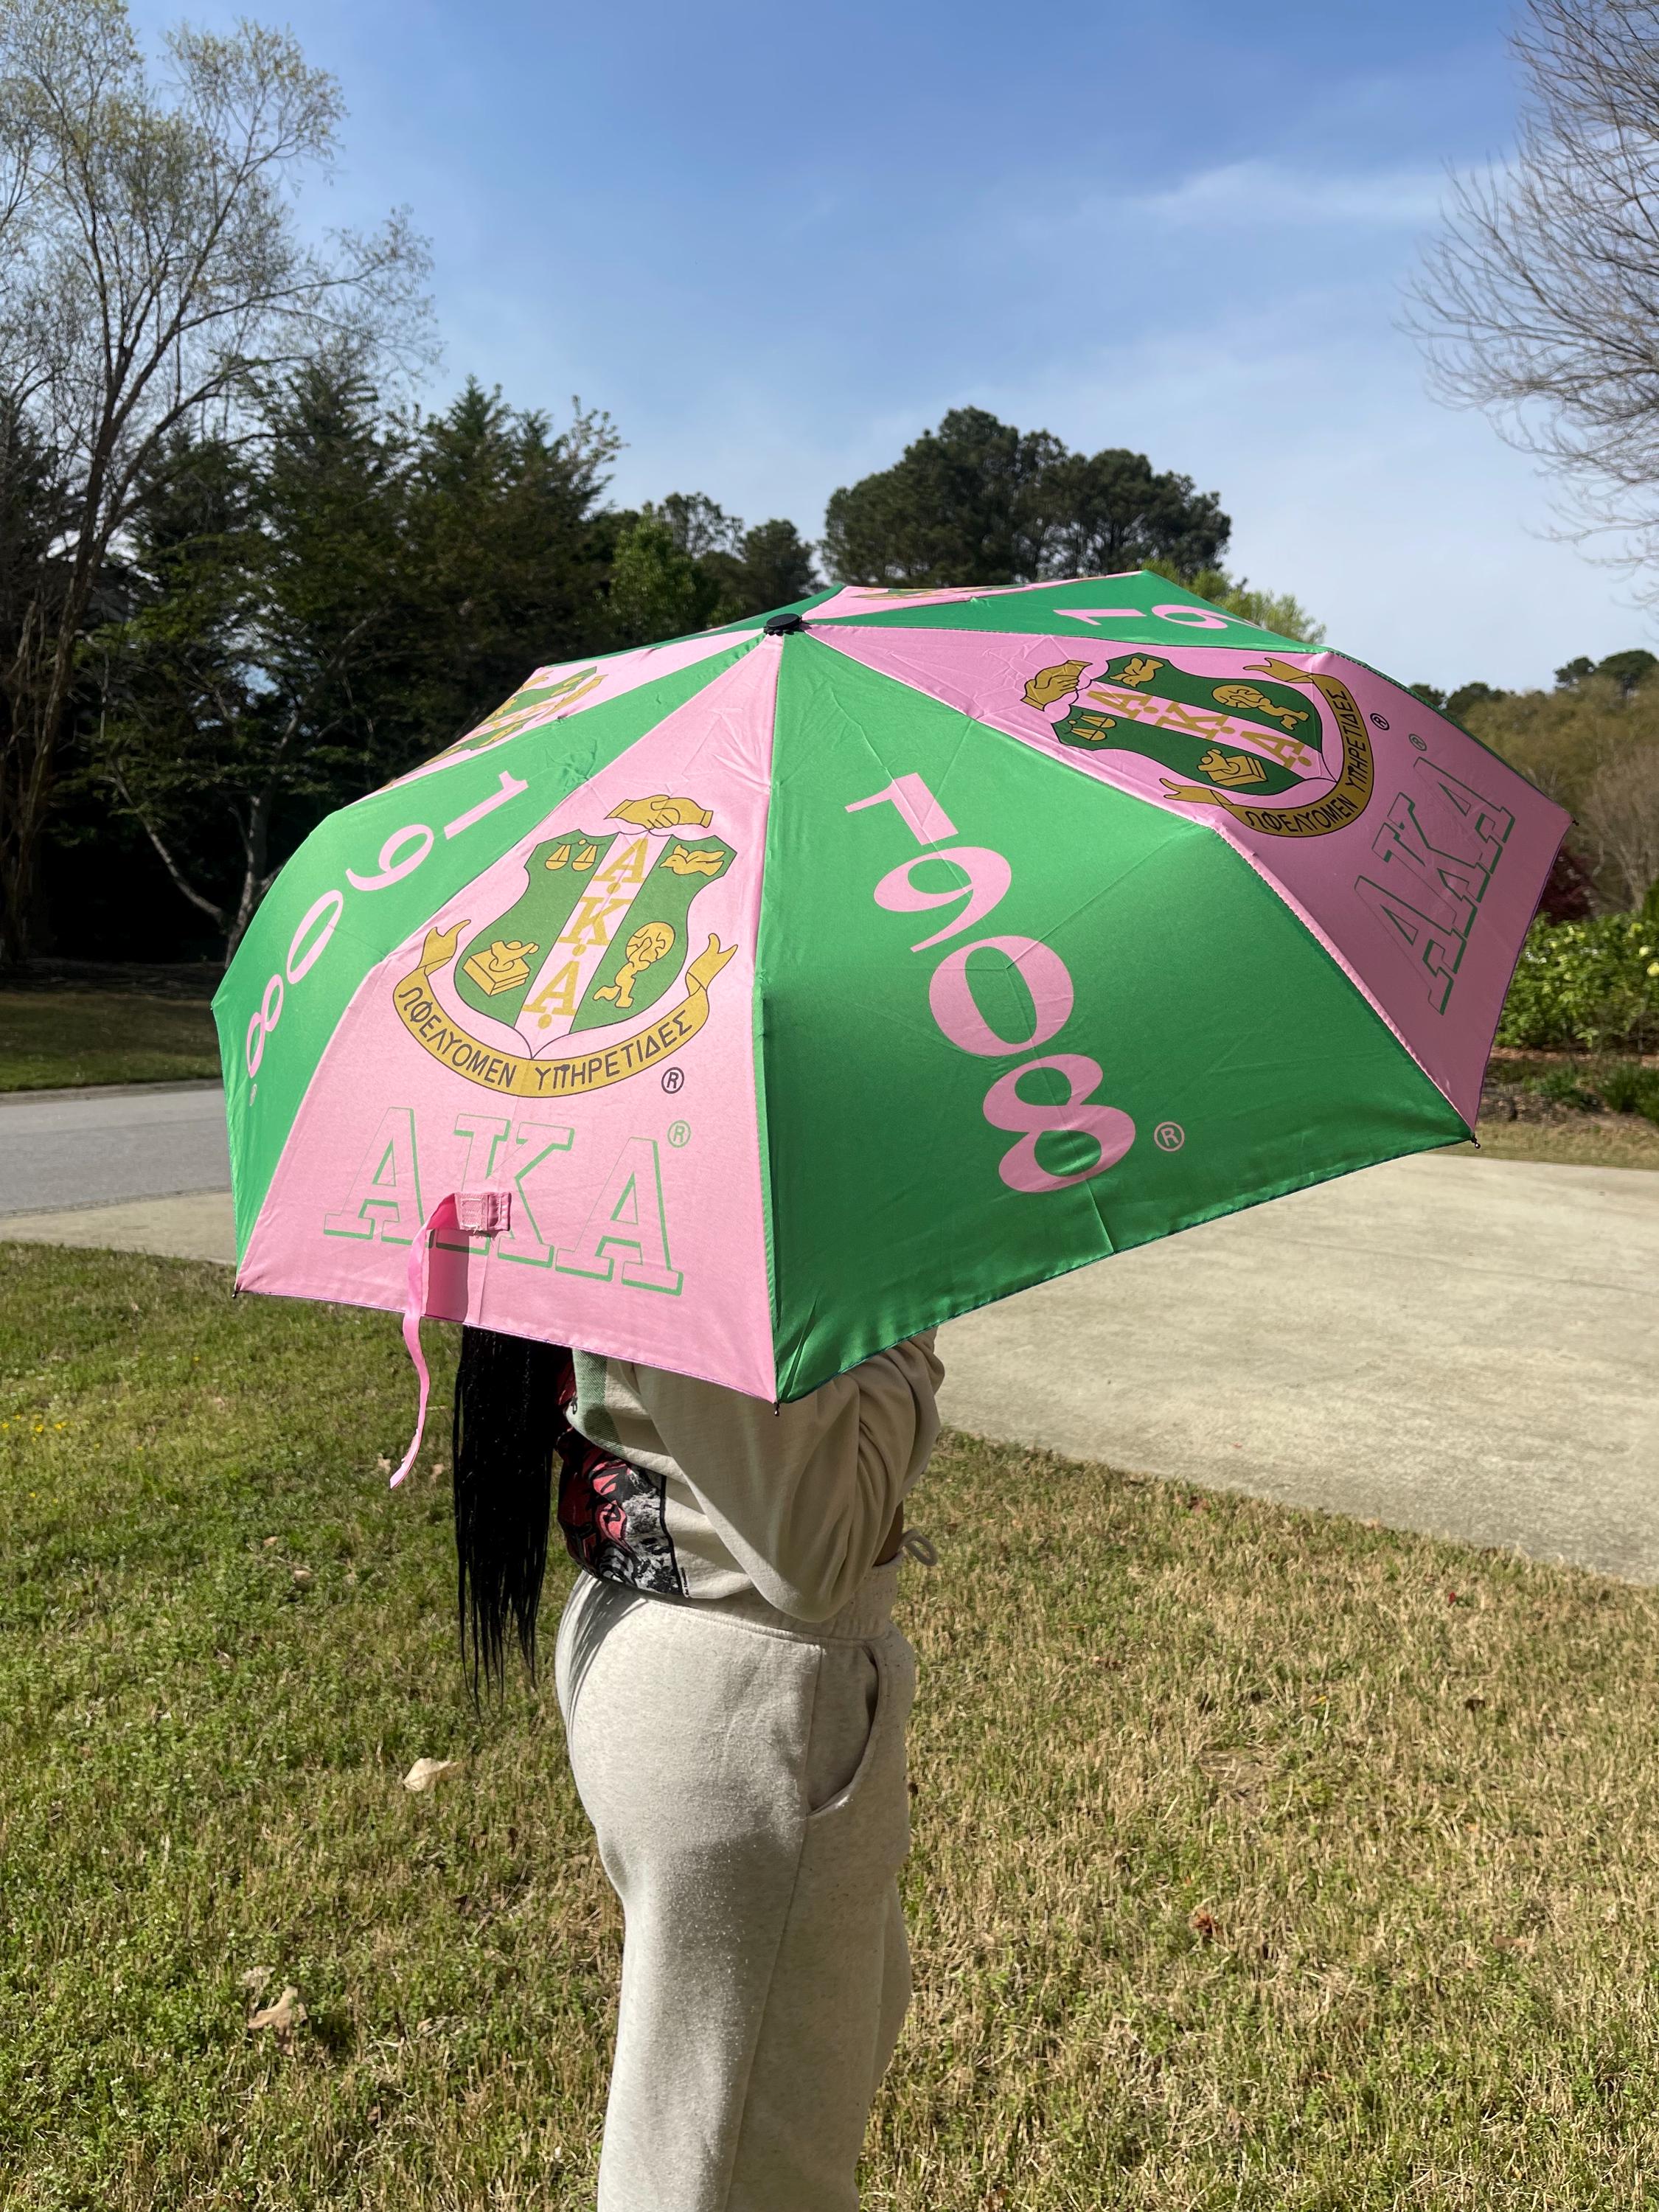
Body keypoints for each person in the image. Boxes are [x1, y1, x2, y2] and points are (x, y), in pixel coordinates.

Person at [449, 1324, 945, 2212]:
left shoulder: (674, 1201)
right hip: (750, 1695)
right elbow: (821, 1541)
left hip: (699, 1655)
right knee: (732, 2173)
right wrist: (906, 1320)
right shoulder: (721, 1208)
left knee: (739, 2110)